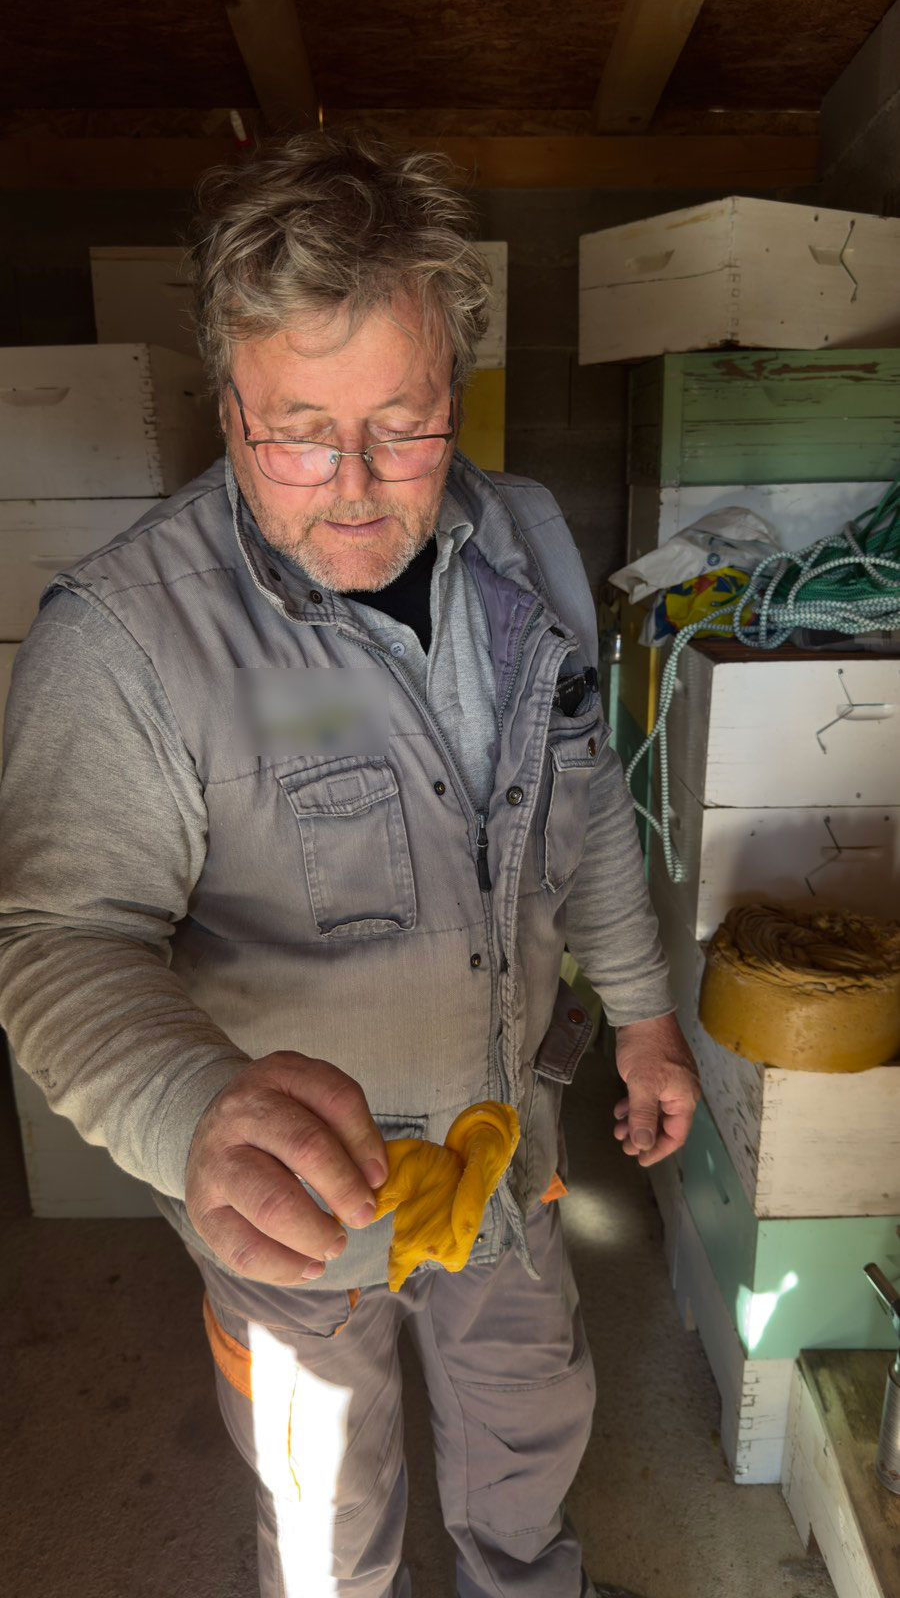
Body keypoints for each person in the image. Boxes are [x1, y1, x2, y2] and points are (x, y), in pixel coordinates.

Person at [0, 130, 700, 1598]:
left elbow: (578, 800)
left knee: (530, 1429)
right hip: (295, 1219)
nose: (358, 486)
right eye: (300, 431)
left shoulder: (526, 545)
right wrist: (190, 1111)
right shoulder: (125, 639)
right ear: (227, 405)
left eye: (404, 423)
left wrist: (641, 1014)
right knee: (327, 1498)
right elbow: (60, 937)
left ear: (455, 393)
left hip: (507, 1153)